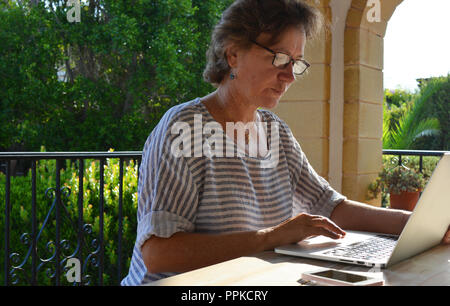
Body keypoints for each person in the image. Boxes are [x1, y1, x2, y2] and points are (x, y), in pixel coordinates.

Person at [121, 0, 450, 286]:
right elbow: (158, 255)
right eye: (280, 59)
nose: (290, 76)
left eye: (296, 63)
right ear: (233, 53)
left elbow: (331, 207)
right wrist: (271, 237)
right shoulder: (185, 129)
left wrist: (417, 226)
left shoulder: (274, 132)